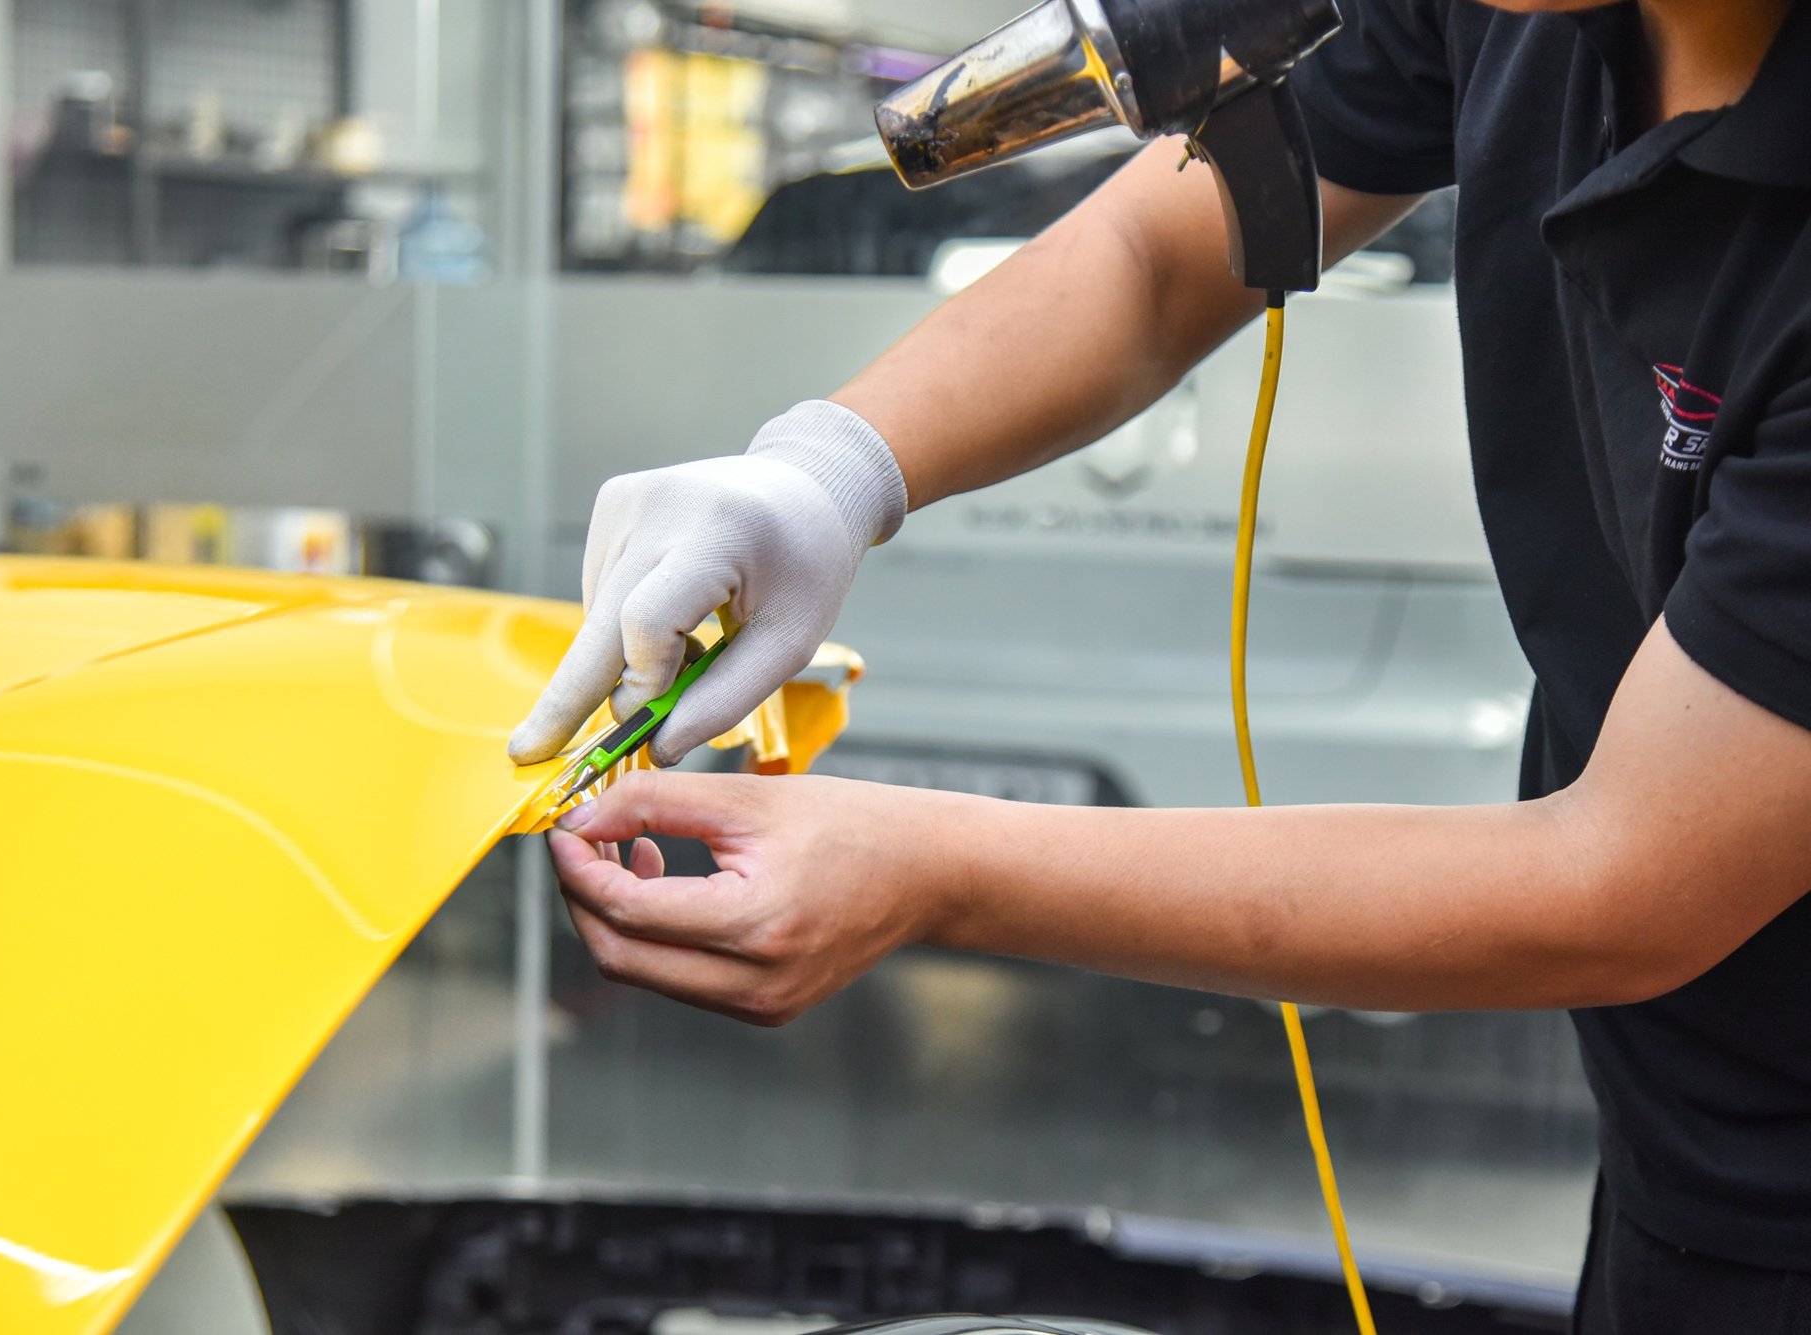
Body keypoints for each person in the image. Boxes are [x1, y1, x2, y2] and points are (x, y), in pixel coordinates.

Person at [509, 1, 1811, 1327]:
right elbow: (1155, 254)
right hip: (1672, 1138)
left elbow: (1622, 881)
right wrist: (827, 472)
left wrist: (935, 872)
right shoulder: (1526, 13)